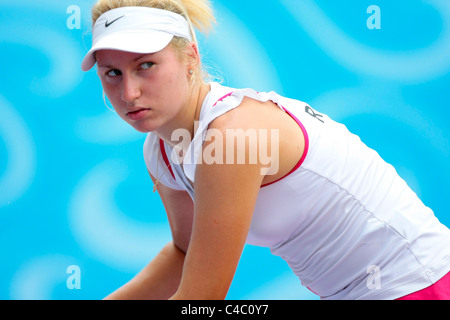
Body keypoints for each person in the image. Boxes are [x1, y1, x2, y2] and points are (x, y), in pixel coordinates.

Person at [81, 0, 450, 300]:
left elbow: (202, 298)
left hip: (422, 283)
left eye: (146, 65)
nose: (129, 93)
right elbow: (183, 252)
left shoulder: (231, 136)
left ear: (191, 57)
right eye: (112, 73)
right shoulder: (160, 150)